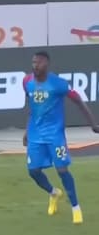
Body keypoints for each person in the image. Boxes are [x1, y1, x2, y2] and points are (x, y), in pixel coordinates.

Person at [22, 51, 99, 224]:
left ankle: (76, 208)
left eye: (39, 63)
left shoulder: (59, 84)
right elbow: (33, 108)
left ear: (47, 64)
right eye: (33, 62)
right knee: (33, 171)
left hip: (54, 135)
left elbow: (78, 101)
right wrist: (27, 131)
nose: (35, 66)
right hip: (35, 135)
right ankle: (53, 193)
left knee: (62, 170)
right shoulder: (27, 82)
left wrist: (93, 124)